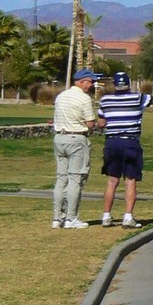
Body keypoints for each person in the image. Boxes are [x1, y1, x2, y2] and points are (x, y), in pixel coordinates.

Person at [97, 71, 153, 228]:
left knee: (112, 181)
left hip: (112, 142)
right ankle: (128, 216)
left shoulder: (105, 100)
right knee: (130, 180)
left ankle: (106, 216)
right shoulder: (138, 98)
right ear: (128, 84)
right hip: (130, 141)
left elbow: (101, 123)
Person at [52, 70, 105, 228]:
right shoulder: (84, 98)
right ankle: (71, 218)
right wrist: (98, 124)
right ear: (82, 82)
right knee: (76, 178)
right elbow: (90, 123)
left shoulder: (61, 96)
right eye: (89, 82)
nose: (91, 85)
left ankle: (57, 218)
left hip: (59, 138)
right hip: (76, 138)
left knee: (61, 178)